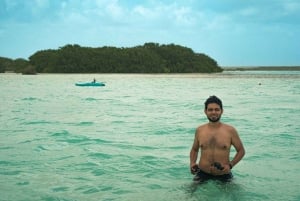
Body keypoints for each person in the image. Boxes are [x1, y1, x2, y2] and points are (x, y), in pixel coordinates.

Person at [190, 95, 245, 183]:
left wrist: (230, 165)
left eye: (217, 109)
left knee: (234, 196)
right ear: (205, 111)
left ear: (222, 111)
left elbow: (241, 150)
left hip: (223, 174)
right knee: (189, 194)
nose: (213, 112)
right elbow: (194, 149)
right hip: (202, 173)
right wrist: (192, 163)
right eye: (210, 110)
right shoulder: (200, 130)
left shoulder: (230, 130)